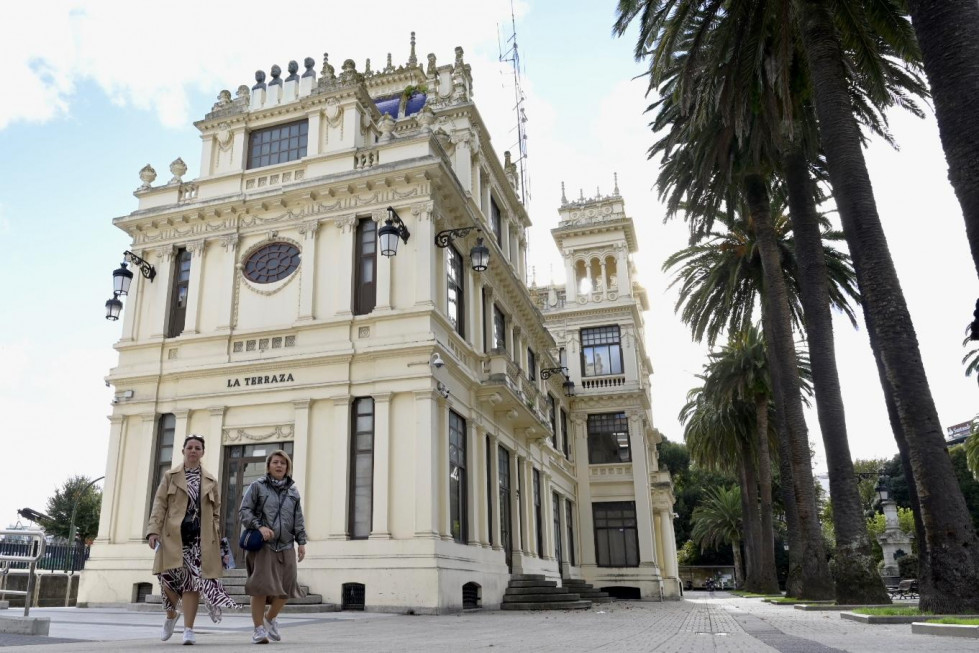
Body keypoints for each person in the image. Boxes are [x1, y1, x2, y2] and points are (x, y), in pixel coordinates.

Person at [146, 435, 239, 645]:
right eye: (190, 447)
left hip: (198, 540)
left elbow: (216, 511)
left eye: (198, 448)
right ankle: (171, 615)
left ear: (203, 452)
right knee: (165, 579)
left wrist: (213, 531)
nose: (193, 451)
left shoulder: (211, 480)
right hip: (172, 537)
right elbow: (159, 505)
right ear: (183, 451)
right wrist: (153, 530)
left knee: (191, 584)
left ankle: (189, 629)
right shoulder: (170, 476)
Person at [239, 450, 307, 645]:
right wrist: (259, 527)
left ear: (287, 467)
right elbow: (244, 511)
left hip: (286, 544)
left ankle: (269, 619)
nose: (279, 466)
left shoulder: (293, 491)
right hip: (263, 546)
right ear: (268, 466)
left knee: (286, 588)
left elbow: (298, 518)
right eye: (275, 462)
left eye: (283, 463)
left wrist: (301, 542)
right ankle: (258, 629)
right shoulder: (257, 486)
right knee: (260, 588)